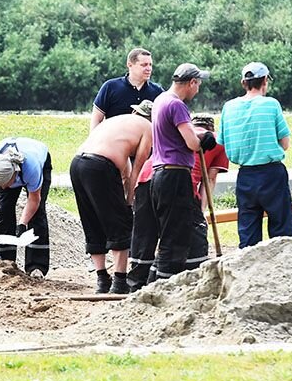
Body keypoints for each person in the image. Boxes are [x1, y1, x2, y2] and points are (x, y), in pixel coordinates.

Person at [126, 64, 215, 290]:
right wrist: (203, 141)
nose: (198, 89)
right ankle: (164, 287)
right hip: (175, 174)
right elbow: (191, 142)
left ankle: (154, 283)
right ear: (192, 82)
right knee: (175, 235)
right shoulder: (177, 105)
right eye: (198, 84)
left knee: (166, 233)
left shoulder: (161, 100)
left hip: (159, 172)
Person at [127, 111, 227, 291]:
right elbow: (209, 180)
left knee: (145, 232)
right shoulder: (217, 142)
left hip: (147, 178)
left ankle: (137, 284)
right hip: (178, 181)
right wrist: (200, 211)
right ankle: (186, 278)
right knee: (187, 233)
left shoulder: (179, 131)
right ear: (211, 128)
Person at [70, 102, 154, 294]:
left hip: (77, 163)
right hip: (100, 166)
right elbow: (136, 171)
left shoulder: (117, 122)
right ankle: (119, 281)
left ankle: (101, 279)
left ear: (135, 111)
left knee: (92, 222)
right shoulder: (147, 129)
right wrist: (129, 202)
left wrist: (124, 193)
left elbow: (125, 170)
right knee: (119, 225)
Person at [218, 62, 292, 248]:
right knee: (281, 230)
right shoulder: (271, 104)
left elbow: (222, 141)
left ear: (243, 82)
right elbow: (285, 144)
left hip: (245, 176)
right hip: (271, 173)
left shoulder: (229, 107)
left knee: (248, 232)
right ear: (265, 81)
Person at [0, 138, 52, 276]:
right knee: (4, 209)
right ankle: (4, 261)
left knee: (37, 213)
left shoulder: (32, 168)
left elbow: (34, 199)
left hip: (38, 158)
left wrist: (22, 224)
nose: (4, 188)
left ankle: (36, 266)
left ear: (15, 173)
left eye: (6, 183)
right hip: (6, 167)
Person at [90, 47, 164, 131]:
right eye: (144, 65)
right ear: (129, 65)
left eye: (150, 65)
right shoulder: (110, 87)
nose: (149, 68)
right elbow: (96, 119)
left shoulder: (157, 91)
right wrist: (94, 140)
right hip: (116, 141)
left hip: (147, 142)